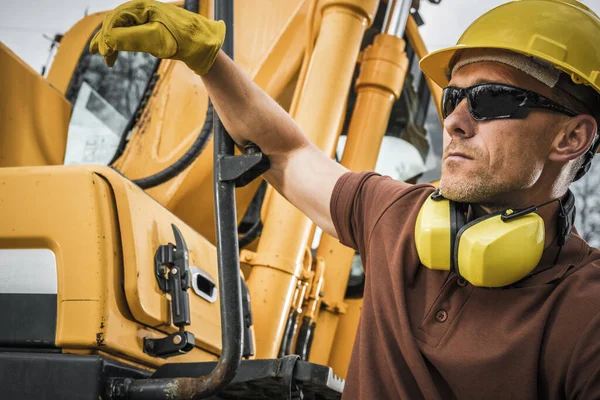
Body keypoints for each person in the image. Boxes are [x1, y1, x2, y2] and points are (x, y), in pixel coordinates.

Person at [90, 0, 600, 398]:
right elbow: (286, 152)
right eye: (453, 97)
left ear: (571, 139)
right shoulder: (397, 216)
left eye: (492, 100)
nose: (454, 122)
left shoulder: (586, 313)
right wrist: (207, 59)